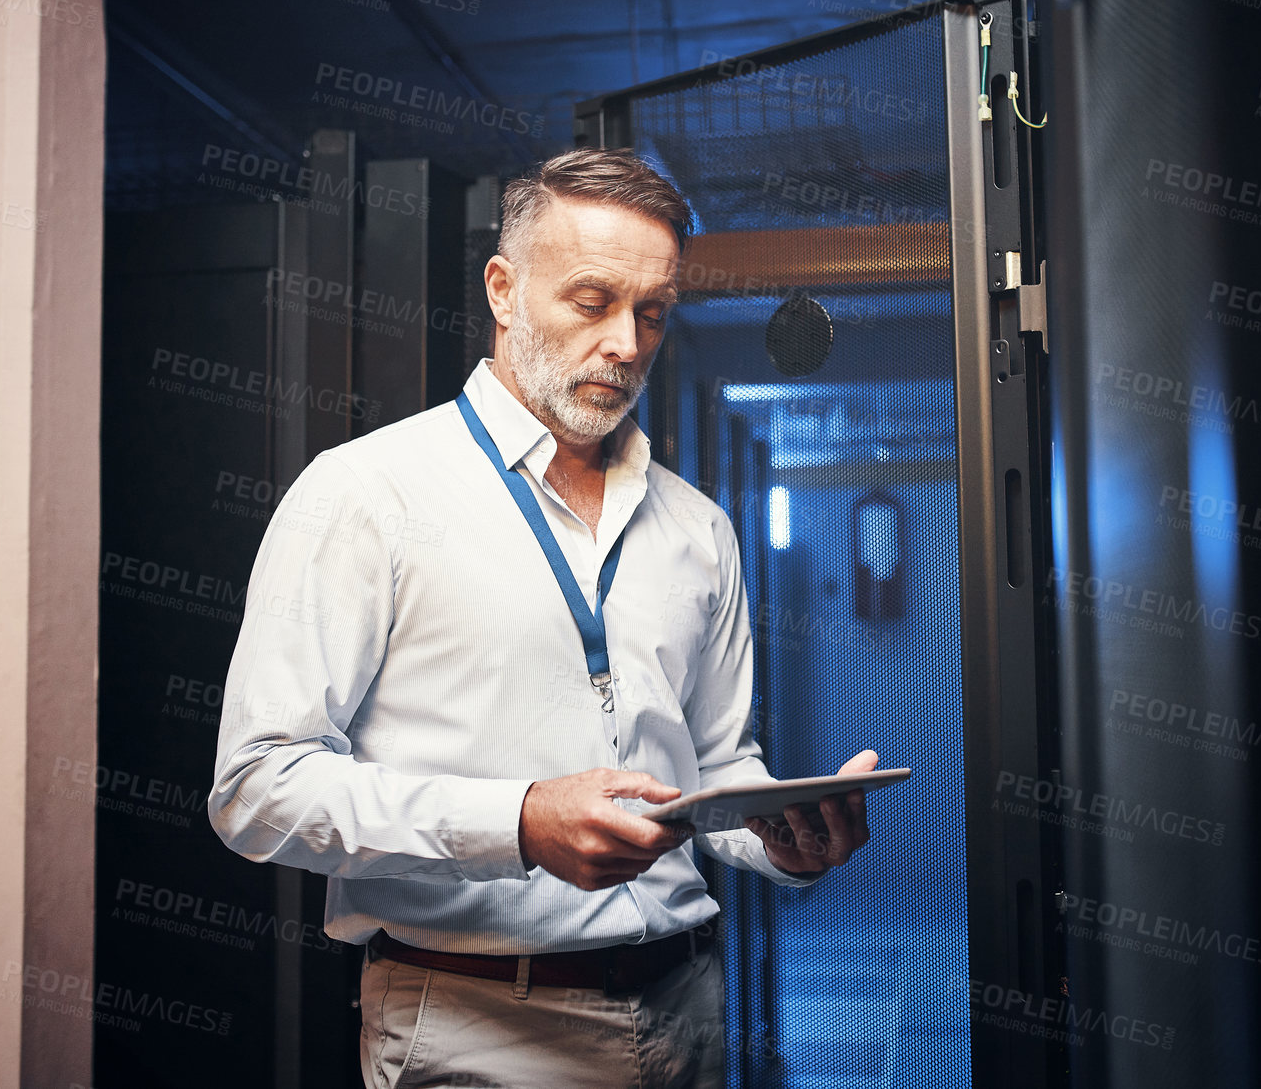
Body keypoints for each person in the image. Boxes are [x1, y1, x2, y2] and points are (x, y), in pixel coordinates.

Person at [209, 147, 878, 1089]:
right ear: (504, 289)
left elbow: (715, 769)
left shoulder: (701, 527)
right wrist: (519, 821)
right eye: (593, 301)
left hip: (688, 1008)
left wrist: (781, 840)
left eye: (652, 313)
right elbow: (255, 788)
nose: (627, 344)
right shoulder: (364, 494)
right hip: (475, 1027)